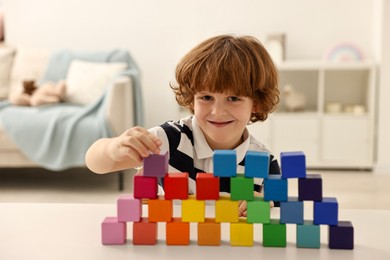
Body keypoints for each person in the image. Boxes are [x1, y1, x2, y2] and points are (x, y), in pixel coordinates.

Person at [85, 34, 281, 216]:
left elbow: (280, 210)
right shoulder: (168, 141)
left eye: (233, 98)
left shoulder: (264, 162)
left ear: (256, 103)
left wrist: (266, 202)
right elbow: (95, 163)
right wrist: (113, 148)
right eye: (206, 97)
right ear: (192, 98)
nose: (218, 111)